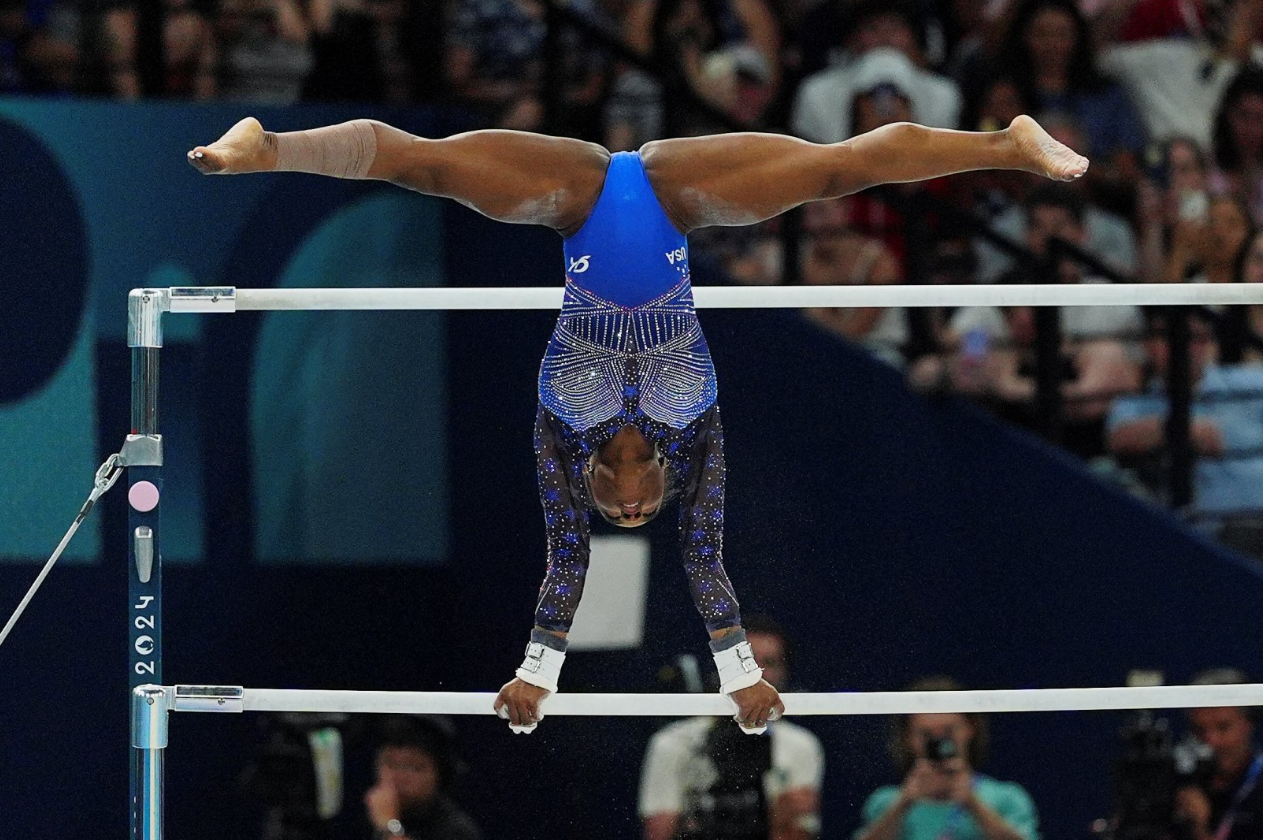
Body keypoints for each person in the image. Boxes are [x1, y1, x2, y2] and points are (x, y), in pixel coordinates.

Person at [187, 111, 1088, 735]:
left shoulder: (555, 430)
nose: (625, 514)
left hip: (573, 205)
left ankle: (267, 147)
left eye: (615, 517)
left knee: (420, 163)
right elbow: (705, 561)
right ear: (658, 493)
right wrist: (743, 681)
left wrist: (535, 675)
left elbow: (561, 560)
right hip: (678, 199)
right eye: (637, 518)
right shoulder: (694, 428)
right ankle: (1007, 144)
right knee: (833, 167)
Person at [638, 615, 825, 840]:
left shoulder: (801, 747)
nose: (759, 673)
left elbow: (798, 834)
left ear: (784, 672)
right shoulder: (672, 743)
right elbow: (658, 833)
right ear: (724, 667)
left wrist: (780, 813)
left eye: (770, 662)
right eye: (748, 661)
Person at [854, 676, 1039, 840]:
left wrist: (972, 804)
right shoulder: (886, 803)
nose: (939, 742)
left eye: (949, 731)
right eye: (926, 735)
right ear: (908, 737)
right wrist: (903, 804)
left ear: (970, 728)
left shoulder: (1007, 798)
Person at [1177, 668, 1263, 840]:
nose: (1211, 740)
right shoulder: (1178, 784)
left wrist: (1200, 830)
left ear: (1249, 723)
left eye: (1223, 727)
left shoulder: (1258, 785)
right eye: (1199, 729)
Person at [363, 715, 481, 840]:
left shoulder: (457, 831)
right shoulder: (364, 818)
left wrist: (388, 826)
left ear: (439, 774)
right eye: (391, 764)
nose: (400, 777)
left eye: (415, 767)